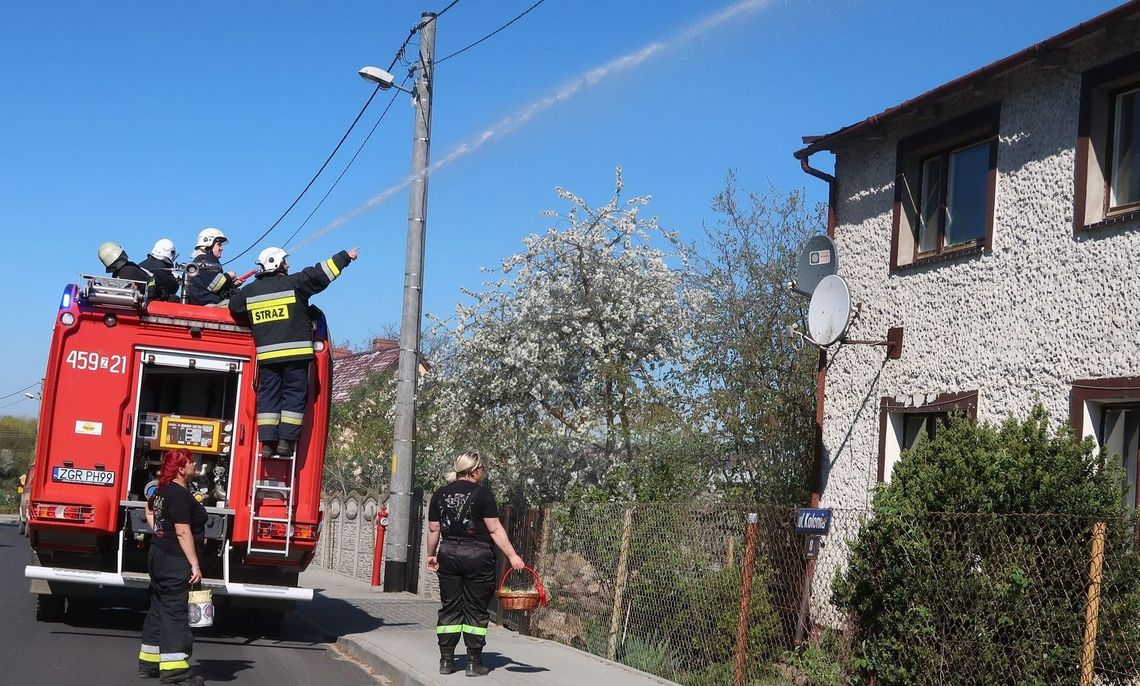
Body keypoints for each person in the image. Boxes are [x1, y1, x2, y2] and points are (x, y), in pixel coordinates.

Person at [228, 246, 358, 458]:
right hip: (296, 355)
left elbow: (235, 306)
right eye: (284, 262)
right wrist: (345, 257)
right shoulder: (294, 283)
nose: (287, 265)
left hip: (267, 358)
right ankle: (286, 443)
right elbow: (320, 274)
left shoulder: (250, 292)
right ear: (276, 264)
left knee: (268, 397)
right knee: (294, 396)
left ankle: (268, 443)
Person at [426, 452, 525, 677]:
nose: (483, 472)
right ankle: (473, 663)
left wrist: (432, 555)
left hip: (449, 552)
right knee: (475, 608)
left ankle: (446, 661)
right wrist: (512, 555)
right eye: (482, 468)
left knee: (450, 606)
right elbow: (494, 529)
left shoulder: (440, 494)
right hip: (478, 555)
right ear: (474, 470)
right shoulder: (483, 495)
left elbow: (434, 529)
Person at [138, 449, 207, 686]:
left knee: (158, 608)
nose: (194, 465)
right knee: (175, 613)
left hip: (158, 556)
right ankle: (175, 672)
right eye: (190, 462)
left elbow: (148, 510)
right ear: (181, 469)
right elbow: (182, 530)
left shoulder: (161, 491)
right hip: (175, 560)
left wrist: (158, 529)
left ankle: (149, 665)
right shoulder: (178, 494)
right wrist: (195, 564)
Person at [187, 228, 240, 306]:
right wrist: (228, 276)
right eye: (219, 244)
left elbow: (210, 287)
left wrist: (233, 285)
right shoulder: (206, 262)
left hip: (202, 303)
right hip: (207, 304)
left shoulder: (201, 261)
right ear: (208, 244)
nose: (221, 248)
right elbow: (214, 286)